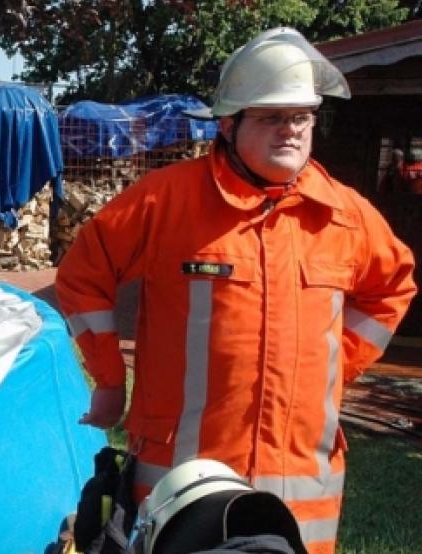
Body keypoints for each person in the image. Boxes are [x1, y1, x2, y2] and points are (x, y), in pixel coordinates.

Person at [55, 27, 416, 554]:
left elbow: (391, 288)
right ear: (228, 124)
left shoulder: (346, 216)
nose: (290, 131)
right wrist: (110, 380)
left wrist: (333, 373)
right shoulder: (165, 203)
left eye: (301, 117)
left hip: (302, 494)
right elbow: (83, 275)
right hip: (182, 485)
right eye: (271, 117)